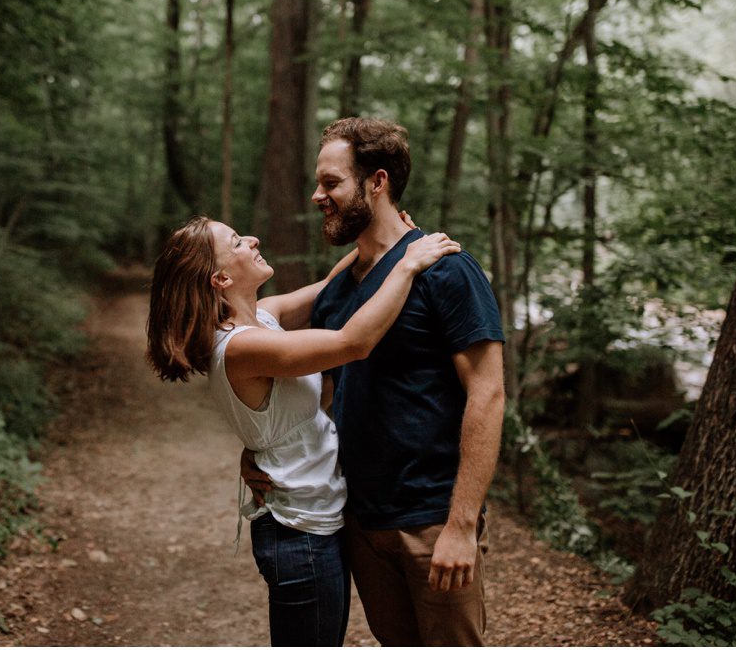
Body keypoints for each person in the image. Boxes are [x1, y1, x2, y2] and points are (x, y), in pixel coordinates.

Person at [244, 117, 506, 646]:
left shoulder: (446, 270)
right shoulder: (342, 287)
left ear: (377, 182)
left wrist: (460, 524)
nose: (318, 195)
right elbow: (315, 388)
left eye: (331, 182)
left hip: (431, 521)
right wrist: (264, 449)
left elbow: (489, 392)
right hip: (360, 522)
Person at [145, 214, 462, 646]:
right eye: (238, 242)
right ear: (220, 278)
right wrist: (407, 263)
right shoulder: (242, 346)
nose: (252, 238)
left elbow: (331, 288)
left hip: (312, 522)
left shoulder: (263, 318)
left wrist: (384, 235)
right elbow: (354, 342)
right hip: (298, 536)